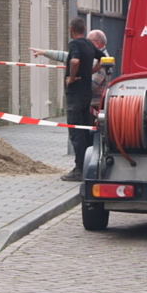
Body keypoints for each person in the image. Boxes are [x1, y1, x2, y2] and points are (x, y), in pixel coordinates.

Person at [31, 29, 110, 119]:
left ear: (97, 43)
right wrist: (44, 52)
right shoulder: (92, 55)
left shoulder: (103, 61)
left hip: (93, 106)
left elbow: (93, 84)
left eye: (88, 41)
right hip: (88, 102)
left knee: (79, 128)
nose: (85, 43)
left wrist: (73, 81)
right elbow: (67, 56)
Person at [59, 18, 97, 182]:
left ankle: (79, 169)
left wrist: (72, 78)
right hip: (87, 93)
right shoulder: (89, 44)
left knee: (76, 132)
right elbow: (105, 60)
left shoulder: (75, 44)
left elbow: (74, 60)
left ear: (71, 29)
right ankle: (88, 165)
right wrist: (89, 72)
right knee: (85, 130)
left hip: (75, 94)